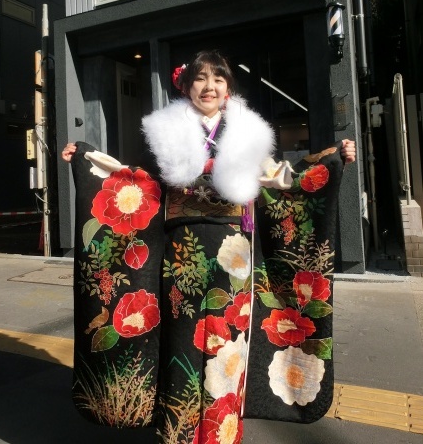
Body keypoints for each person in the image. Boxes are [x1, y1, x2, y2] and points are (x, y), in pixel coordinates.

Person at [62, 50, 355, 443]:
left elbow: (282, 178)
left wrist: (333, 159)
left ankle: (222, 433)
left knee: (227, 343)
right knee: (182, 339)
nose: (209, 86)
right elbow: (138, 180)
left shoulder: (247, 132)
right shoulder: (165, 131)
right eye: (200, 78)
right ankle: (178, 434)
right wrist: (87, 158)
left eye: (218, 79)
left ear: (228, 88)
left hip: (234, 255)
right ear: (187, 86)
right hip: (182, 254)